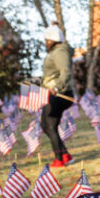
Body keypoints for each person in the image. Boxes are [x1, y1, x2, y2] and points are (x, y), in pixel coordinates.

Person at [41, 23, 74, 168]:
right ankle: (64, 155)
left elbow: (65, 72)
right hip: (55, 93)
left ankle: (59, 159)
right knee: (48, 125)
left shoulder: (60, 51)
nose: (46, 43)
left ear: (53, 40)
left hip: (60, 94)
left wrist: (56, 87)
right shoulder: (56, 51)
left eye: (47, 40)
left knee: (48, 125)